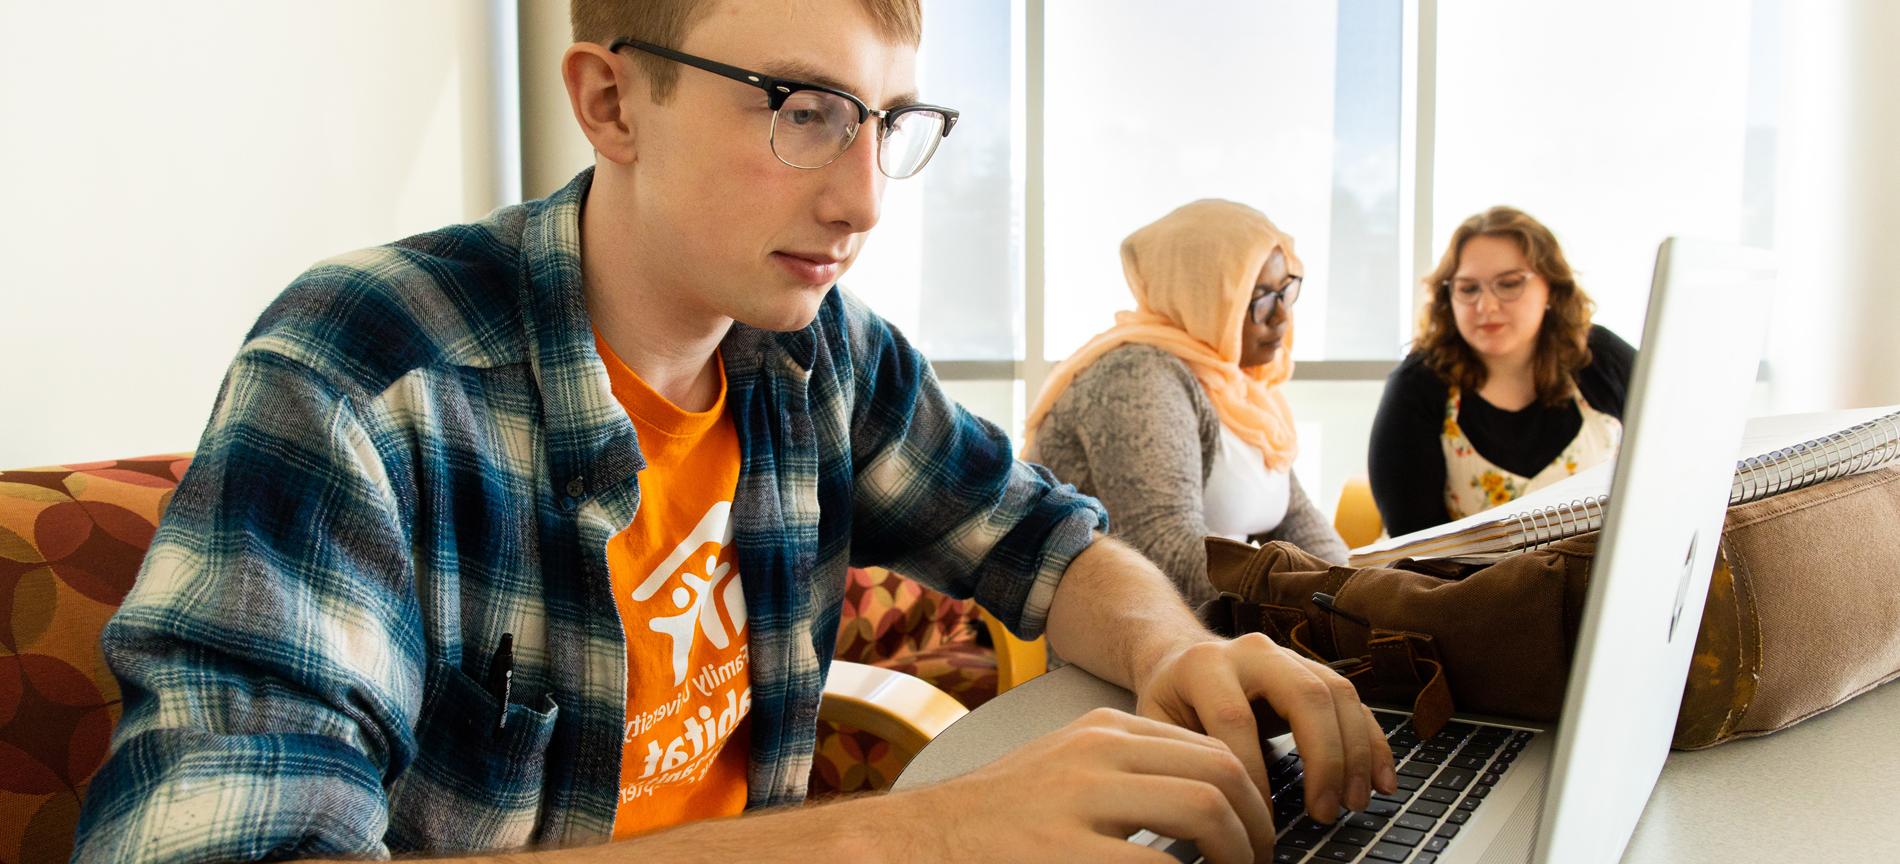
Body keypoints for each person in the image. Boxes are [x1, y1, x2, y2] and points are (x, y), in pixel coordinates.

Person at [70, 3, 1395, 862]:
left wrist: (1175, 649)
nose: (867, 197)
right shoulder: (367, 370)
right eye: (803, 110)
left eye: (887, 123)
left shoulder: (817, 349)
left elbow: (1045, 543)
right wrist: (914, 839)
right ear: (610, 104)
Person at [1024, 200, 1348, 609]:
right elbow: (1167, 555)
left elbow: (1295, 519)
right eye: (1260, 297)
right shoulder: (1136, 377)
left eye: (1286, 290)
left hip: (1216, 629)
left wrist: (1359, 594)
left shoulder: (1237, 386)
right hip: (1127, 646)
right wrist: (1323, 601)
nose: (1281, 317)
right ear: (1201, 298)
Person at [1368, 206, 1636, 537]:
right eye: (1468, 289)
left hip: (1596, 584)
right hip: (1463, 588)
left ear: (1550, 287)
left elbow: (1673, 450)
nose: (1487, 307)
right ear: (1448, 296)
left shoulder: (1601, 357)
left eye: (1509, 284)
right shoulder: (1419, 384)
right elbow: (1413, 544)